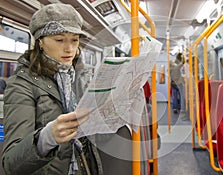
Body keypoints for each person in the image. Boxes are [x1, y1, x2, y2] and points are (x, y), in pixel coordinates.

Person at [2, 4, 132, 175]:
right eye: (59, 40)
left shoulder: (80, 77)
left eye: (75, 40)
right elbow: (10, 163)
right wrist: (47, 137)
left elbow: (90, 134)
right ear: (40, 41)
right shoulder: (21, 85)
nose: (69, 48)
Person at [170, 53, 187, 119]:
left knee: (174, 96)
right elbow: (182, 63)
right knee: (181, 96)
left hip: (173, 83)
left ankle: (175, 108)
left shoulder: (171, 67)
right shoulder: (177, 67)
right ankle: (182, 109)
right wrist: (183, 57)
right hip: (179, 83)